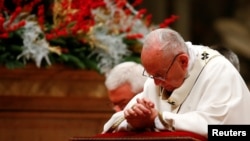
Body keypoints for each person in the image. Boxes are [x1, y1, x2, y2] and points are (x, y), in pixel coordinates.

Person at [102, 28, 250, 138]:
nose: (155, 83)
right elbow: (117, 121)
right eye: (150, 75)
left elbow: (222, 130)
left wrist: (157, 119)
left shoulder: (218, 71)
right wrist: (134, 122)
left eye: (160, 75)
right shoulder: (157, 75)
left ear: (183, 61)